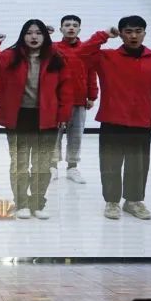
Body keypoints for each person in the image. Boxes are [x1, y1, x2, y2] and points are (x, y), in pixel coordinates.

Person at [78, 16, 151, 221]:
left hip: (142, 120)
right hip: (112, 119)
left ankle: (133, 201)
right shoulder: (106, 57)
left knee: (138, 165)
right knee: (110, 163)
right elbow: (81, 54)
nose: (133, 35)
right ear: (121, 34)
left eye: (138, 31)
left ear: (145, 33)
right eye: (128, 31)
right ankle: (112, 201)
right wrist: (103, 35)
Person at [0, 20, 71, 219]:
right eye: (29, 33)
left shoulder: (56, 58)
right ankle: (21, 202)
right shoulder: (11, 56)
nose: (34, 37)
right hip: (19, 117)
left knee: (42, 164)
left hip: (47, 117)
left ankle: (38, 202)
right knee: (20, 163)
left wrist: (64, 115)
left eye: (38, 33)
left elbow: (66, 88)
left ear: (45, 36)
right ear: (22, 36)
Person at [51, 15, 99, 183]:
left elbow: (92, 73)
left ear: (79, 29)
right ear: (61, 29)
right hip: (57, 101)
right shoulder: (54, 48)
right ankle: (52, 167)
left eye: (74, 25)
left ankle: (72, 167)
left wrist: (92, 95)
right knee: (54, 135)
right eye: (67, 25)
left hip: (79, 100)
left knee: (76, 135)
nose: (71, 28)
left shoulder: (86, 50)